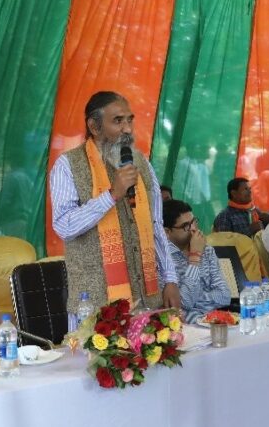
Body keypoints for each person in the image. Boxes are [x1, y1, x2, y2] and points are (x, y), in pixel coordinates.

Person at [49, 91, 180, 314]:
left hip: (146, 299)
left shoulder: (141, 163)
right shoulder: (68, 165)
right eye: (118, 121)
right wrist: (111, 195)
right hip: (94, 306)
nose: (127, 129)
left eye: (130, 120)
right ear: (94, 126)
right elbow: (64, 226)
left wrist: (170, 279)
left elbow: (156, 225)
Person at [162, 200, 231, 323]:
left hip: (212, 321)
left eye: (194, 221)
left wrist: (192, 306)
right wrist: (195, 257)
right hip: (185, 328)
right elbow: (182, 304)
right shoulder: (163, 260)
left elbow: (224, 296)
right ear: (167, 232)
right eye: (186, 226)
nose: (193, 229)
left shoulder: (207, 251)